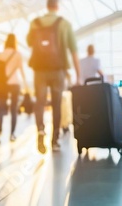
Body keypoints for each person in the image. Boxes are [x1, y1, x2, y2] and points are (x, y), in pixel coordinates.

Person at [27, 0, 81, 153]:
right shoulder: (64, 24)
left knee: (40, 101)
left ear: (47, 6)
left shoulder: (35, 23)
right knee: (56, 104)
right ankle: (55, 140)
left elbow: (29, 42)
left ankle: (40, 131)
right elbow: (74, 50)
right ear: (57, 7)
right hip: (58, 70)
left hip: (39, 70)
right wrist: (78, 75)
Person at [0, 34, 28, 143]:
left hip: (2, 84)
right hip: (15, 84)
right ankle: (12, 134)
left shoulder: (0, 54)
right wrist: (26, 85)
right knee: (13, 110)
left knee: (1, 108)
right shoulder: (18, 54)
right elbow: (22, 71)